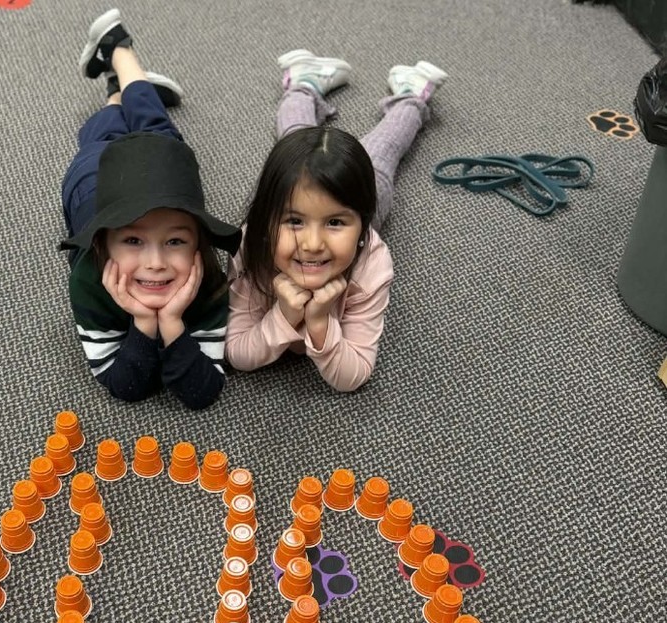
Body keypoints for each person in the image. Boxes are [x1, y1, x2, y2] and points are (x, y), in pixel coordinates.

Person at [226, 52, 447, 392]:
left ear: (361, 226)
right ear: (267, 216)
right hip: (298, 183)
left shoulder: (371, 261)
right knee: (295, 138)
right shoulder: (251, 245)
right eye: (294, 221)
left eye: (335, 223)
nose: (313, 244)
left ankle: (410, 96)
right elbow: (237, 353)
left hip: (365, 182)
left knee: (383, 152)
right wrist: (284, 313)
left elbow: (354, 375)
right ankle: (304, 83)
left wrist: (319, 321)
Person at [60, 9, 241, 409]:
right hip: (93, 182)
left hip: (144, 179)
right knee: (135, 131)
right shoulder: (89, 278)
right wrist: (144, 323)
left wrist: (172, 322)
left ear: (199, 242)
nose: (156, 263)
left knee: (143, 129)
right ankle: (120, 56)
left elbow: (203, 392)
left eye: (175, 240)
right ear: (104, 242)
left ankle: (118, 79)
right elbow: (125, 386)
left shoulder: (208, 277)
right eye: (134, 240)